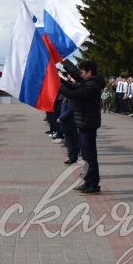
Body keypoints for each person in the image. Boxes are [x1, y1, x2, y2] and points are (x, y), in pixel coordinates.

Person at [57, 60, 104, 195]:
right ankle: (88, 181)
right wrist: (60, 75)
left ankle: (93, 184)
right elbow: (74, 82)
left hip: (87, 124)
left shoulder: (92, 86)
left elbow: (74, 94)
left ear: (89, 72)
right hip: (84, 123)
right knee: (86, 155)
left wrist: (57, 85)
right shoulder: (88, 82)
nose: (81, 74)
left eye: (83, 71)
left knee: (90, 156)